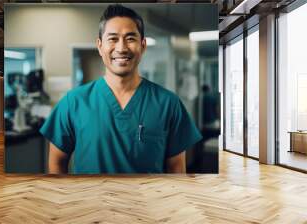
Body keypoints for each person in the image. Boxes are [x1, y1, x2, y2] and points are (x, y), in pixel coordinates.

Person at [40, 4, 202, 174]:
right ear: (100, 46)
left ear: (143, 45)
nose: (122, 48)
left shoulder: (168, 103)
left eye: (130, 38)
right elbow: (57, 163)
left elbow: (176, 168)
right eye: (113, 39)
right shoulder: (73, 102)